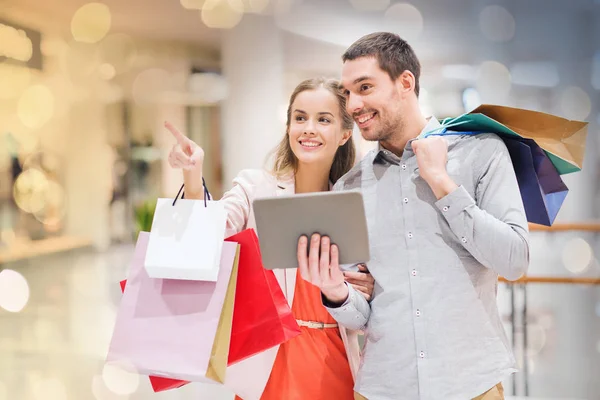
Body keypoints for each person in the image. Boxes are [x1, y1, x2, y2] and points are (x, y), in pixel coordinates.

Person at [297, 32, 530, 400]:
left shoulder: (481, 152)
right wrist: (334, 290)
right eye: (347, 93)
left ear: (405, 82)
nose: (353, 104)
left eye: (365, 87)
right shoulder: (350, 187)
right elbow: (362, 316)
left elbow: (514, 261)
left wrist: (442, 183)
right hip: (383, 387)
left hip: (469, 384)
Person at [166, 77, 375, 400]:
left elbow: (373, 296)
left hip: (334, 363)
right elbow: (205, 236)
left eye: (323, 119)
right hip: (267, 364)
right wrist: (193, 180)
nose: (308, 128)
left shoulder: (358, 202)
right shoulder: (255, 188)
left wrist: (370, 286)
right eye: (300, 117)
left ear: (345, 133)